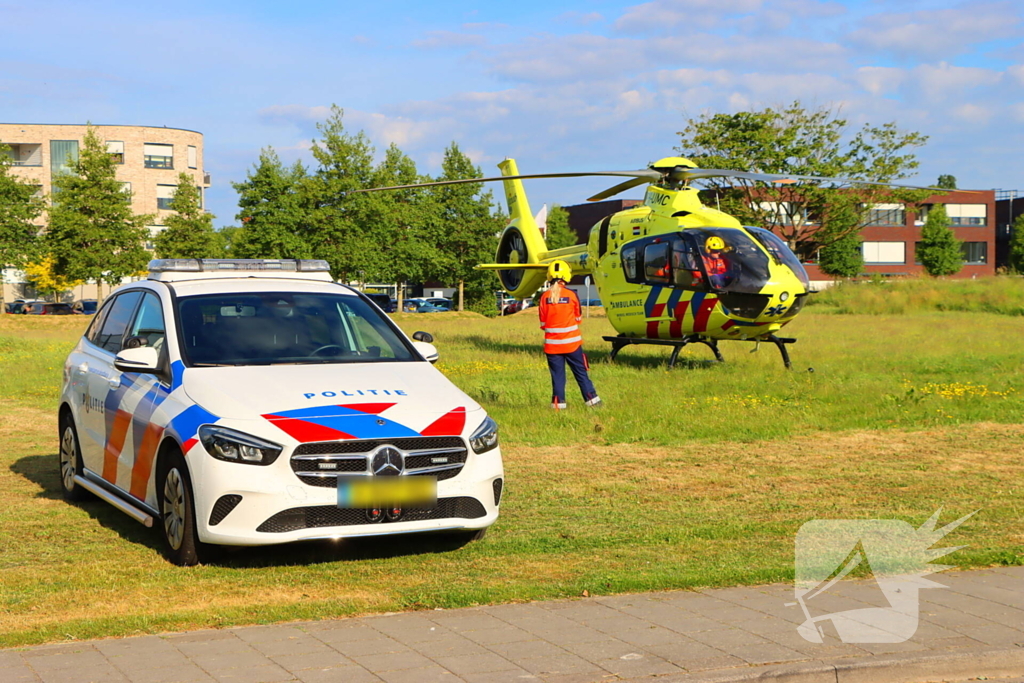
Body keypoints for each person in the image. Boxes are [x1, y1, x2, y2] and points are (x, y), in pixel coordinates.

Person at [538, 260, 601, 410]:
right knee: (581, 374)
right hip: (572, 345)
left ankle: (558, 406)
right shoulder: (572, 295)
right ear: (566, 275)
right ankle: (593, 402)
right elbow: (578, 319)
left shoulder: (544, 297)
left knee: (558, 378)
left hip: (552, 347)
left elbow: (543, 324)